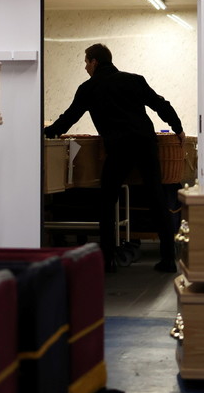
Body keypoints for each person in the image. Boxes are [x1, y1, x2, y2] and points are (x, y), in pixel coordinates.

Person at [43, 43, 184, 273]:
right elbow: (161, 104)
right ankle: (168, 259)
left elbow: (69, 118)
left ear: (94, 62)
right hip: (146, 144)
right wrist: (177, 127)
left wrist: (46, 133)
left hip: (119, 148)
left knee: (107, 202)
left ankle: (107, 260)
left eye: (86, 62)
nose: (85, 68)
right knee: (156, 199)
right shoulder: (134, 80)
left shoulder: (89, 88)